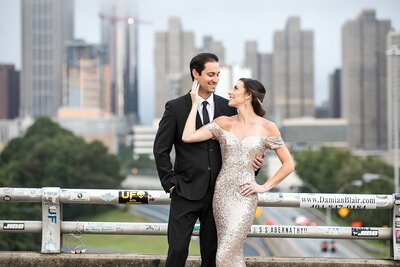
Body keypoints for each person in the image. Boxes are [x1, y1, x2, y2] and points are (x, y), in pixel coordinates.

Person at [153, 53, 264, 267]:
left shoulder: (228, 107)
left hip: (219, 193)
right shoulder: (175, 107)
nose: (215, 79)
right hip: (184, 191)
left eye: (218, 74)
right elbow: (161, 149)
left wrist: (254, 165)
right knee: (177, 250)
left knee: (212, 255)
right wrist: (170, 184)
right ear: (196, 74)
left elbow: (241, 146)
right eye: (210, 74)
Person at [182, 78, 295, 267]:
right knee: (232, 255)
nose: (230, 92)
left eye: (235, 88)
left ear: (248, 95)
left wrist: (264, 186)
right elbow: (188, 136)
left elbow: (288, 164)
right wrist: (194, 104)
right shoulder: (223, 122)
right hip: (222, 194)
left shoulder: (268, 127)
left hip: (245, 195)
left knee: (224, 255)